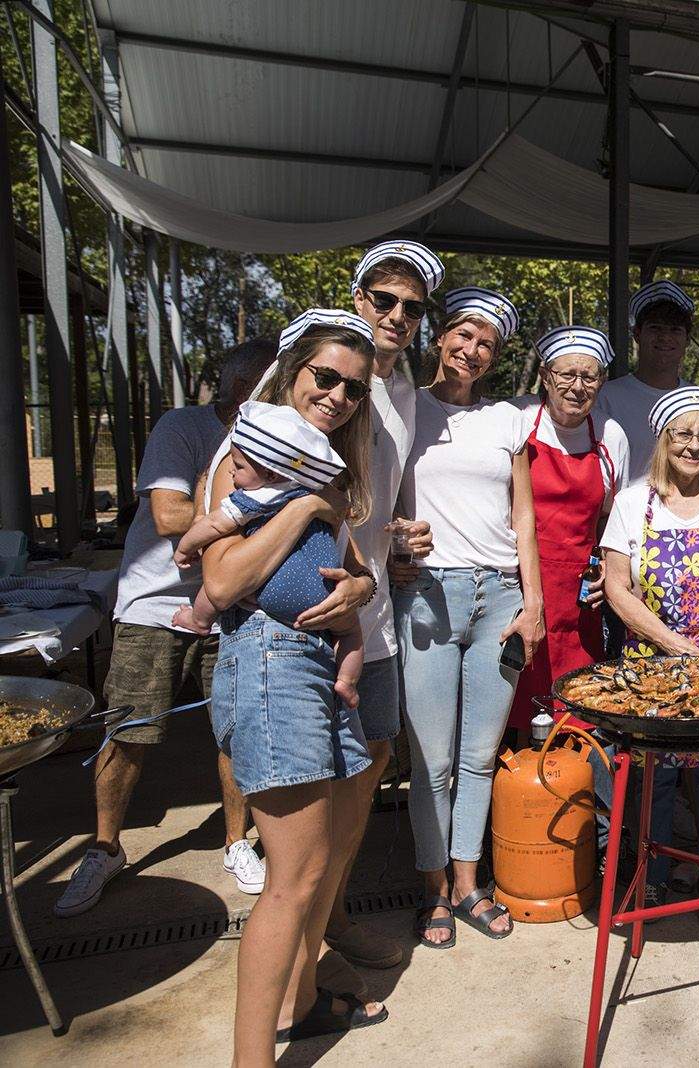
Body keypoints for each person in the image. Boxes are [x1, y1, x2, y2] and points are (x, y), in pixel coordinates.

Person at [200, 313, 386, 1057]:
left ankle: (298, 1006)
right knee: (293, 877)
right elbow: (221, 581)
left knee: (321, 862)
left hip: (318, 664)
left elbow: (351, 564)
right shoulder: (246, 452)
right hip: (272, 664)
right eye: (325, 377)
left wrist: (361, 586)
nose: (338, 395)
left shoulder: (325, 465)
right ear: (293, 371)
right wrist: (309, 506)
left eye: (353, 388)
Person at [54, 339, 276, 919]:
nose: (270, 393)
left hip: (233, 599)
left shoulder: (279, 435)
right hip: (156, 602)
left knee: (238, 730)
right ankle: (104, 847)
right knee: (130, 727)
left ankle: (236, 841)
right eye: (262, 382)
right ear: (233, 387)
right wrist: (261, 508)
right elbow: (168, 514)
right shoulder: (183, 428)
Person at [397, 287, 545, 948]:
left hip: (500, 599)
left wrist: (533, 604)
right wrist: (394, 543)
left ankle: (467, 885)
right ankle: (431, 891)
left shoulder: (508, 420)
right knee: (432, 759)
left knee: (480, 755)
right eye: (463, 335)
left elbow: (524, 518)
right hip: (428, 594)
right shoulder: (402, 408)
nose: (472, 349)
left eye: (486, 342)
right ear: (439, 337)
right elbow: (372, 495)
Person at [322, 238, 442, 975]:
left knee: (370, 762)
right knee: (311, 790)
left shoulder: (403, 394)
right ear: (357, 296)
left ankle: (330, 920)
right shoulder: (317, 374)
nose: (396, 315)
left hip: (375, 622)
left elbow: (383, 512)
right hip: (311, 617)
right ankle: (301, 968)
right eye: (384, 299)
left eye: (411, 307)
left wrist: (406, 541)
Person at [601, 387, 699, 924]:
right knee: (654, 774)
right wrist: (672, 644)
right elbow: (618, 589)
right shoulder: (630, 502)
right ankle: (653, 878)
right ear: (663, 440)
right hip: (647, 662)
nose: (693, 447)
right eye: (683, 435)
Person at [172, 402, 364, 708]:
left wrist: (185, 548)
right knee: (352, 633)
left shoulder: (254, 497)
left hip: (273, 596)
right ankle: (347, 681)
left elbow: (213, 524)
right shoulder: (314, 491)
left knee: (211, 591)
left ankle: (198, 620)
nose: (231, 470)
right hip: (324, 596)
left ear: (271, 474)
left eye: (239, 465)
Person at [506, 326, 629, 731]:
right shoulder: (518, 421)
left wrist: (610, 569)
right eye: (566, 375)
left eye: (589, 377)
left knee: (578, 709)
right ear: (545, 375)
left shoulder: (611, 435)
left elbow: (614, 520)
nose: (578, 387)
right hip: (517, 585)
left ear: (602, 382)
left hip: (580, 598)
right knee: (516, 711)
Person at [596, 280, 692, 484]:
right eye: (655, 328)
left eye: (675, 330)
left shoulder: (697, 401)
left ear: (687, 339)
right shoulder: (605, 397)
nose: (665, 337)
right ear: (637, 334)